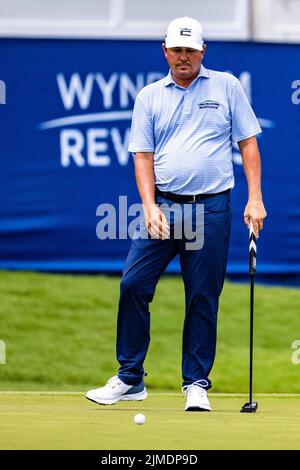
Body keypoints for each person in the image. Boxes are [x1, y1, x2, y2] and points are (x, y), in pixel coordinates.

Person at [86, 16, 267, 411]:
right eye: (177, 50)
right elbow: (143, 156)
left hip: (212, 207)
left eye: (190, 50)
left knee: (202, 296)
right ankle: (130, 378)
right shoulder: (149, 95)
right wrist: (149, 207)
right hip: (164, 207)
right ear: (165, 51)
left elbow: (248, 145)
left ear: (203, 51)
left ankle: (196, 383)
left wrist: (255, 198)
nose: (183, 57)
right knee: (133, 284)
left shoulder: (227, 87)